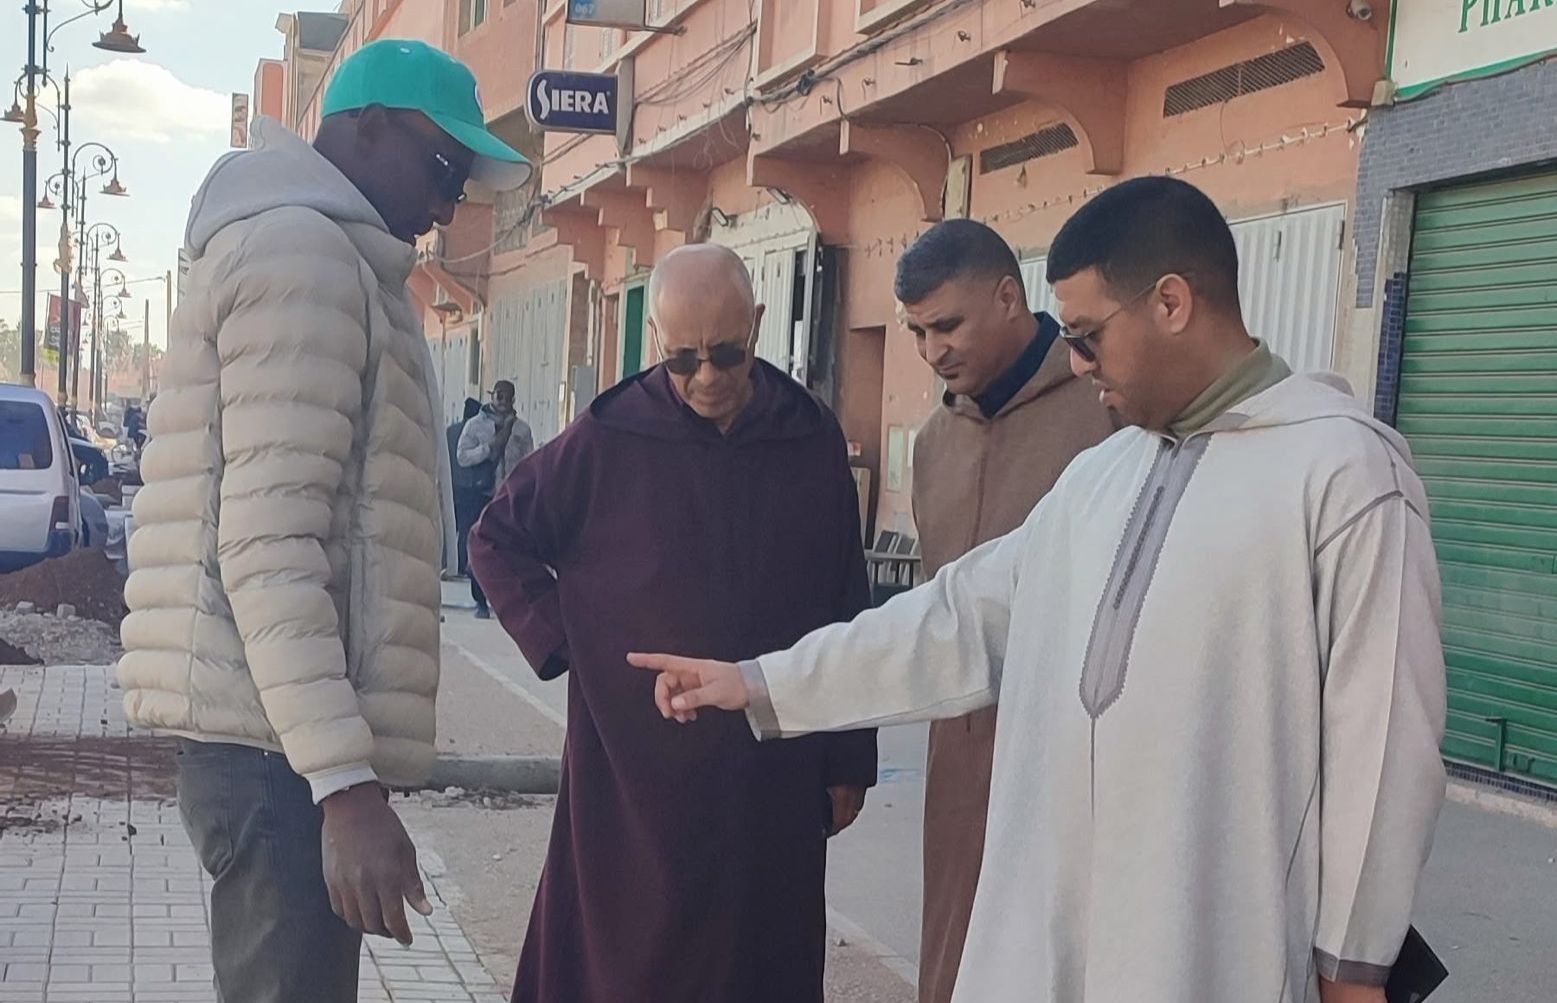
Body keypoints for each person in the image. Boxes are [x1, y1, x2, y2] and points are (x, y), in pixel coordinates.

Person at [631, 178, 1448, 1003]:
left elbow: (1383, 741)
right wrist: (758, 681)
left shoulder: (1342, 476)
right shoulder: (1102, 476)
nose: (1077, 360)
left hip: (1209, 944)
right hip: (1056, 930)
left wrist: (1354, 964)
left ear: (1170, 303)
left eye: (1088, 335)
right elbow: (955, 618)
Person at [117, 39, 531, 1003]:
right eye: (444, 169)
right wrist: (342, 783)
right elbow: (268, 546)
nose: (447, 207)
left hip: (278, 743)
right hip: (280, 757)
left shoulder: (336, 258)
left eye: (462, 186)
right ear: (367, 128)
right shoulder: (304, 255)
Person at [469, 243, 878, 1003]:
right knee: (632, 963)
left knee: (760, 958)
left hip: (771, 761)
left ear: (757, 326)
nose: (706, 377)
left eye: (727, 354)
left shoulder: (807, 434)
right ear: (656, 339)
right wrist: (571, 646)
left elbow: (844, 593)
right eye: (682, 359)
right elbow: (496, 537)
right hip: (635, 763)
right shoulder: (609, 434)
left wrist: (849, 754)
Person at [896, 219, 1114, 1003]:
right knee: (954, 961)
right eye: (917, 332)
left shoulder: (1106, 413)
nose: (932, 351)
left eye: (947, 325)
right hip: (960, 755)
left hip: (1079, 755)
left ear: (1006, 297)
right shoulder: (933, 442)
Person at [458, 380, 533, 618]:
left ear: (513, 399)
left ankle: (506, 600)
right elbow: (462, 456)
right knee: (476, 547)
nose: (501, 400)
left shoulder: (521, 430)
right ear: (492, 396)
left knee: (506, 550)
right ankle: (480, 600)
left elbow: (528, 462)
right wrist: (487, 449)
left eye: (506, 396)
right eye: (498, 395)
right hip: (480, 495)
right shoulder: (475, 426)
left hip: (508, 498)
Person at [447, 395, 491, 586]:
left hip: (452, 485)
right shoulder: (476, 434)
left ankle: (448, 562)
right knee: (467, 527)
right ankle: (463, 563)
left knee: (451, 526)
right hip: (470, 487)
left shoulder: (450, 431)